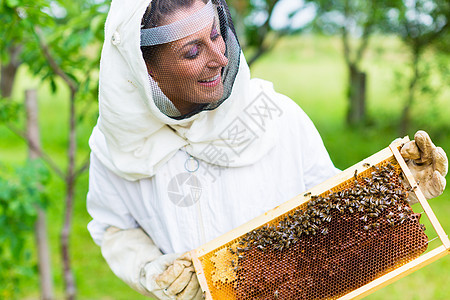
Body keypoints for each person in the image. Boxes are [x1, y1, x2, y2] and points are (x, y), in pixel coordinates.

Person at [86, 0, 448, 299]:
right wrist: (151, 267)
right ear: (145, 68)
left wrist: (395, 185)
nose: (220, 58)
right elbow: (114, 228)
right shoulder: (115, 146)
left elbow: (331, 206)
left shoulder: (273, 114)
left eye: (216, 36)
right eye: (193, 51)